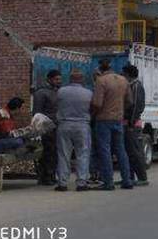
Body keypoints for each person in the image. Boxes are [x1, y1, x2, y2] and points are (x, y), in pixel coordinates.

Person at [91, 59, 134, 190]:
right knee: (121, 150)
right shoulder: (123, 80)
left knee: (105, 150)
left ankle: (108, 182)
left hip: (103, 119)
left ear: (99, 70)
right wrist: (120, 110)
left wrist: (93, 115)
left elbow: (97, 103)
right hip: (118, 119)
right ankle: (127, 180)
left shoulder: (101, 81)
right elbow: (130, 101)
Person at [55, 69, 94, 192]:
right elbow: (92, 108)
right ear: (82, 79)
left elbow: (57, 105)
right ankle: (81, 182)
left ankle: (62, 183)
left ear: (70, 79)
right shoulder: (88, 93)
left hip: (64, 124)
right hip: (82, 125)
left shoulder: (61, 91)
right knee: (82, 154)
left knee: (63, 154)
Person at [122, 64, 149, 187]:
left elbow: (136, 106)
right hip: (128, 123)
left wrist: (131, 123)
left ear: (128, 74)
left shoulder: (136, 86)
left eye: (124, 74)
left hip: (132, 124)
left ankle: (142, 178)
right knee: (128, 152)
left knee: (134, 152)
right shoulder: (130, 86)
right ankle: (129, 177)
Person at [33, 70, 61, 185]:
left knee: (54, 152)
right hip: (46, 127)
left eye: (60, 79)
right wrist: (39, 129)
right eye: (56, 79)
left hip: (56, 126)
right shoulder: (42, 93)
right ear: (49, 79)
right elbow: (37, 112)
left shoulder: (58, 91)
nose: (59, 81)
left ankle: (51, 174)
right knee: (48, 152)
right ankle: (46, 176)